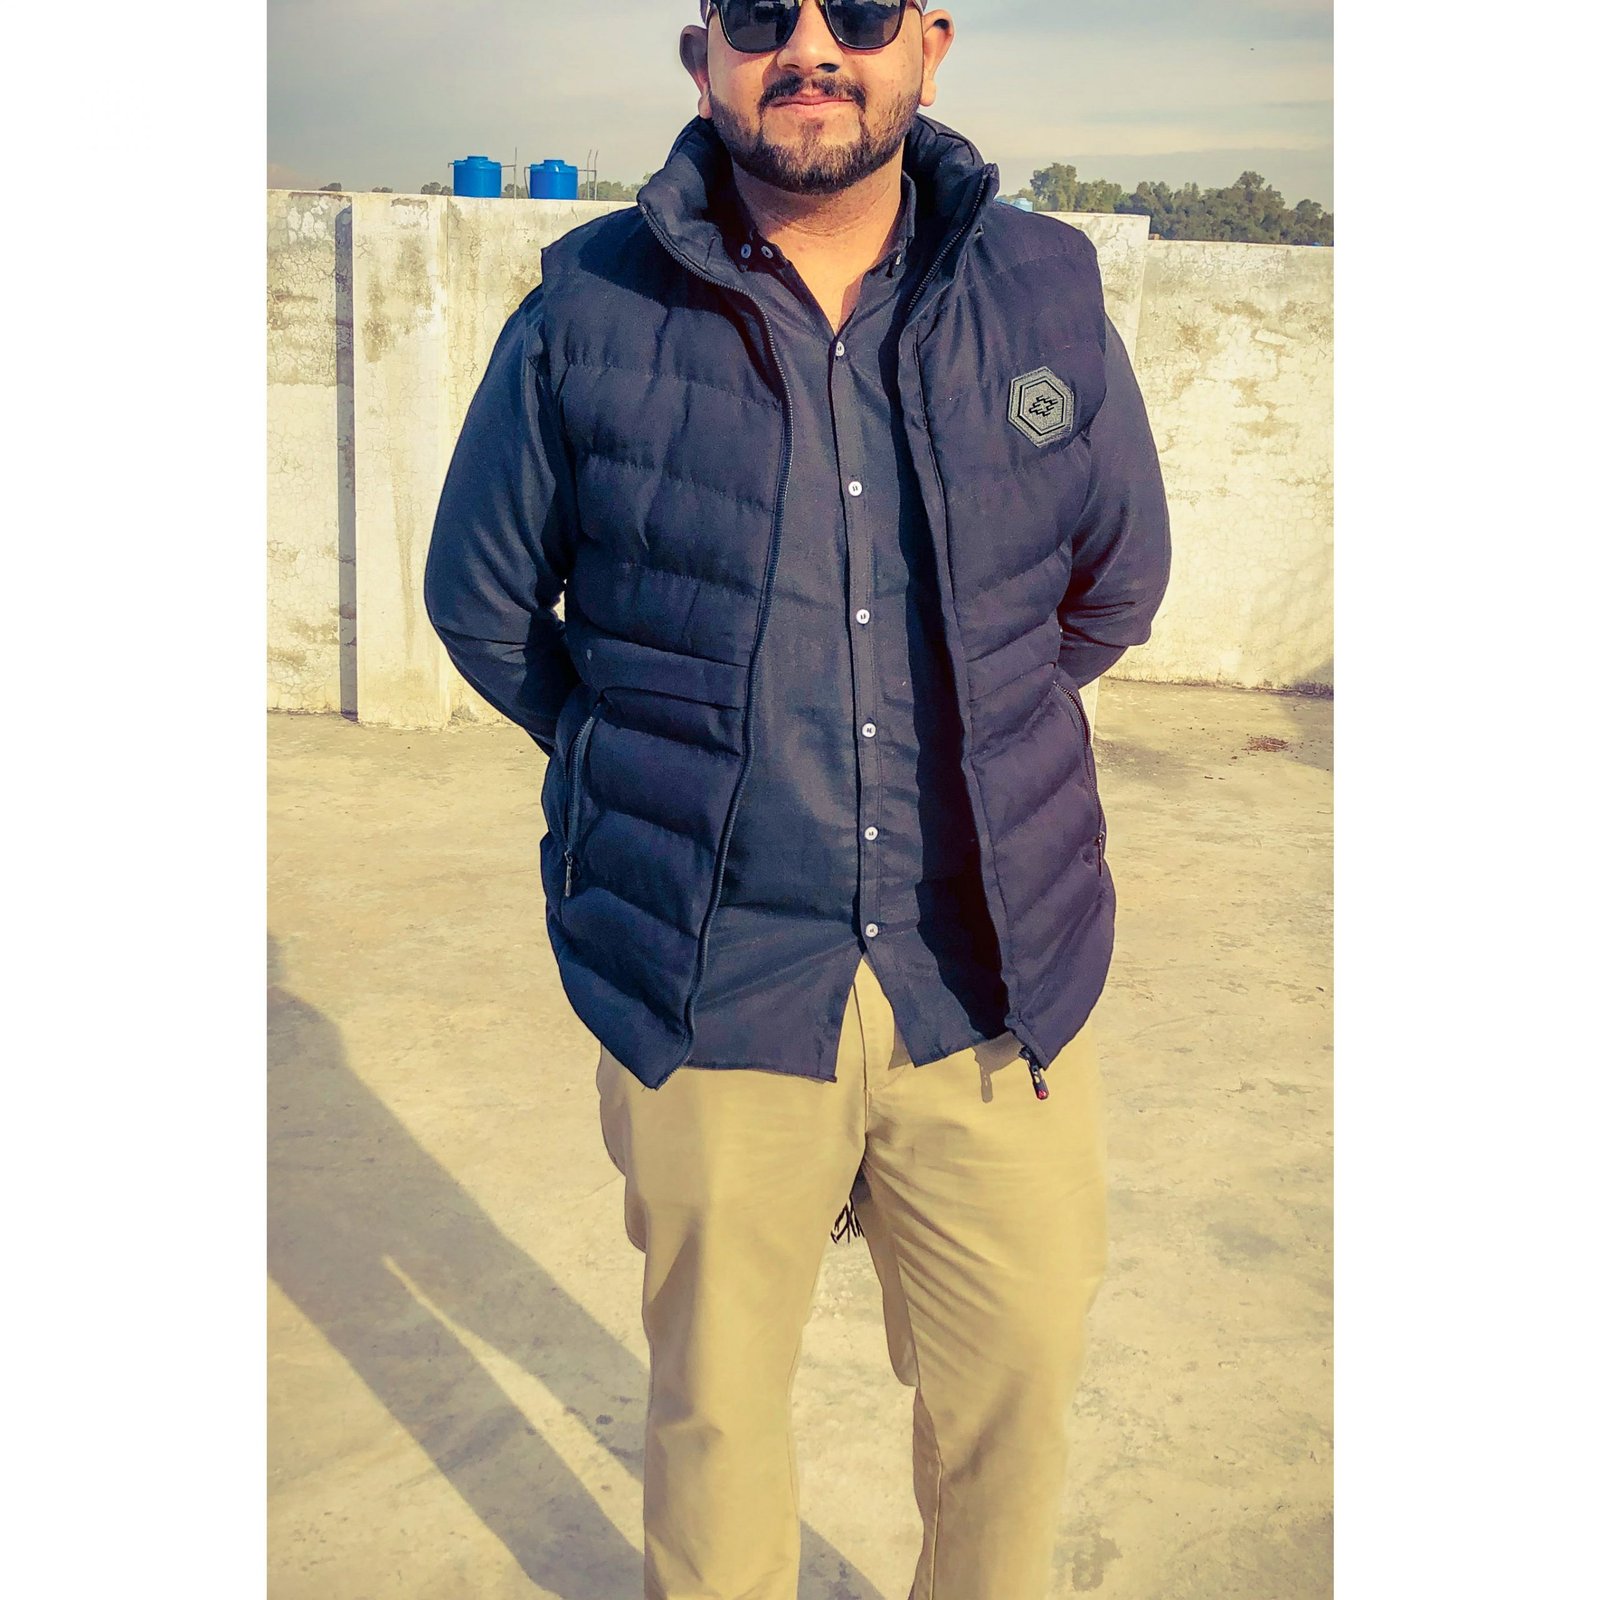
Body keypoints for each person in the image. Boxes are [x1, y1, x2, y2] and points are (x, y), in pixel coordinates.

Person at [424, 3, 1170, 1594]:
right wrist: (644, 749)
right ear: (703, 53)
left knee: (1016, 1398)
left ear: (931, 45)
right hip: (712, 974)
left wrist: (986, 734)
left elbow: (1114, 585)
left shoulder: (1042, 292)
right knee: (714, 1414)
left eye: (861, 13)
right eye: (765, 13)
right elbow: (483, 606)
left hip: (993, 968)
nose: (812, 47)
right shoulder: (588, 307)